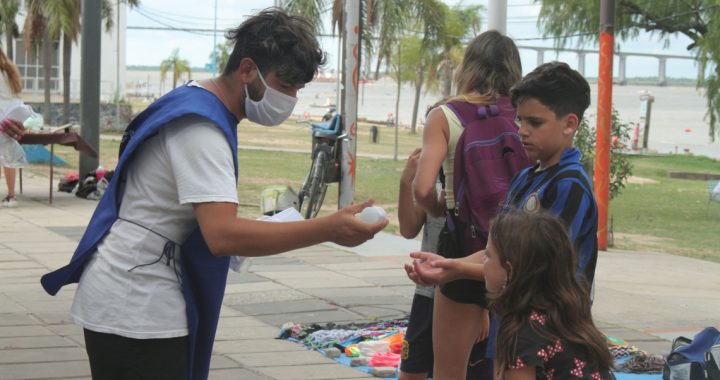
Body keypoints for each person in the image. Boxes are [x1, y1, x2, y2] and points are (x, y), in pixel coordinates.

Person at [41, 9, 387, 380]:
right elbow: (222, 235)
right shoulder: (202, 129)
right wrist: (327, 229)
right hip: (136, 303)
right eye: (285, 85)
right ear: (248, 70)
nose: (291, 99)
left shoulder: (196, 101)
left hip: (131, 290)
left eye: (298, 89)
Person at [411, 30, 526, 379]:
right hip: (517, 249)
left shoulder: (445, 115)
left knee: (449, 371)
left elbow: (422, 188)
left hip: (462, 247)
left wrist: (436, 209)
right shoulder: (526, 116)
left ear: (469, 66)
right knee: (511, 368)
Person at [484, 210, 615, 379]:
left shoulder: (522, 330)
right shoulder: (566, 313)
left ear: (509, 270)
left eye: (487, 255)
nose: (482, 263)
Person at [0, 47, 25, 208]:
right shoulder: (10, 70)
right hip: (12, 116)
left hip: (1, 115)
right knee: (8, 159)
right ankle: (11, 194)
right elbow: (17, 93)